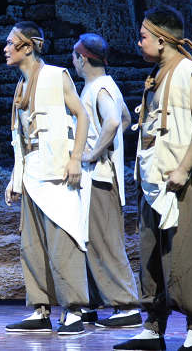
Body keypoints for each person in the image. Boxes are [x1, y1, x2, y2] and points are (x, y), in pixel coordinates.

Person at [115, 6, 192, 351]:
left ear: (161, 39)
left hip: (180, 180)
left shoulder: (188, 72)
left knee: (185, 253)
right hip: (153, 180)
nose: (138, 42)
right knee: (151, 253)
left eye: (143, 36)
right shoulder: (158, 73)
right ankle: (153, 328)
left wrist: (184, 168)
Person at [2, 21, 91, 335]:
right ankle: (40, 309)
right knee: (32, 244)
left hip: (57, 169)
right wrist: (15, 178)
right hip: (32, 171)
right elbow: (20, 138)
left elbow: (82, 114)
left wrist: (76, 157)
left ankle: (74, 310)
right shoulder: (21, 85)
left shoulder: (56, 75)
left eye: (11, 43)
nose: (5, 48)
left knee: (63, 240)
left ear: (28, 46)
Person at [71, 33, 141, 328]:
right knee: (91, 240)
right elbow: (125, 119)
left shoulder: (99, 87)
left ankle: (126, 306)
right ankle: (93, 302)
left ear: (83, 59)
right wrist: (108, 145)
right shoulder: (104, 85)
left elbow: (113, 121)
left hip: (100, 178)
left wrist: (94, 153)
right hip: (96, 177)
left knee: (105, 242)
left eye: (74, 56)